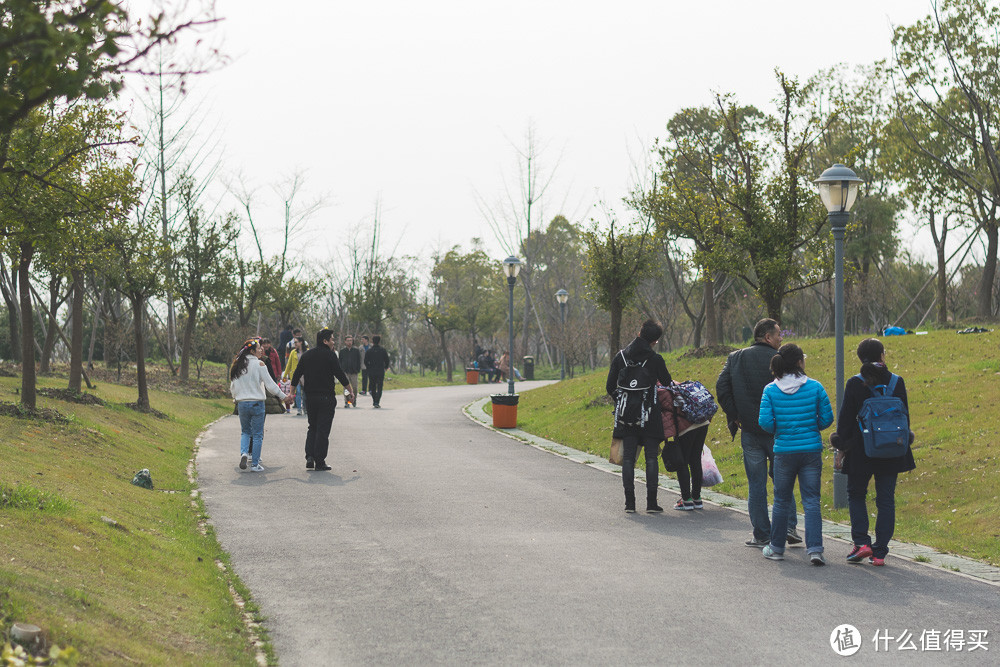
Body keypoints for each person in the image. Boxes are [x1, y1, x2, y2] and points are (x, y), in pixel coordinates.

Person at [716, 318, 802, 547]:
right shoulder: (780, 361)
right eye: (778, 334)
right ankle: (789, 527)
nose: (782, 338)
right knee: (782, 480)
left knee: (756, 484)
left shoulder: (735, 358)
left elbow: (721, 387)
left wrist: (735, 415)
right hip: (778, 431)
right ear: (768, 337)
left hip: (750, 431)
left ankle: (762, 533)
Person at [831, 338, 916, 566]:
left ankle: (862, 543)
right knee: (886, 500)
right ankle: (879, 553)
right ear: (882, 355)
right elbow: (905, 416)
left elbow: (846, 421)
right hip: (892, 449)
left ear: (860, 358)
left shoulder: (855, 383)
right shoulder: (897, 382)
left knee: (857, 495)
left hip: (861, 450)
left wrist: (840, 448)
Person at [758, 343, 834, 565]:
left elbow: (764, 422)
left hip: (784, 451)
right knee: (812, 501)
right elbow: (827, 418)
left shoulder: (770, 390)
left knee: (781, 500)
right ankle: (815, 550)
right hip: (811, 450)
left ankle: (777, 547)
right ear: (800, 362)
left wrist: (780, 429)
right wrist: (813, 427)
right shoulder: (815, 387)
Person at [605, 320, 672, 513]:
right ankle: (651, 503)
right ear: (655, 341)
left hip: (626, 416)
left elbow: (610, 386)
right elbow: (667, 382)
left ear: (639, 332)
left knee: (628, 459)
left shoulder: (621, 357)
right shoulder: (655, 359)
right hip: (649, 414)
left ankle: (630, 504)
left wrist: (624, 402)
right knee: (651, 458)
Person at [290, 329, 354, 471]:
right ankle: (320, 461)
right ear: (325, 341)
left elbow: (296, 374)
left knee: (312, 426)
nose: (333, 342)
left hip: (310, 398)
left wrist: (292, 393)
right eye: (331, 339)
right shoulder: (331, 356)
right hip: (326, 398)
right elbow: (340, 374)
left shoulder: (307, 355)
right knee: (323, 430)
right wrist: (350, 390)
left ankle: (309, 456)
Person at [229, 337, 291, 472]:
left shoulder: (238, 365)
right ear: (252, 351)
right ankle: (255, 464)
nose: (261, 350)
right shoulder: (260, 364)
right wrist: (284, 397)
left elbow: (233, 386)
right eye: (258, 348)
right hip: (257, 403)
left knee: (245, 431)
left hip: (242, 403)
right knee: (257, 434)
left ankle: (244, 453)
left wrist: (235, 398)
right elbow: (271, 385)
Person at [657, 388, 711, 510]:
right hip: (702, 421)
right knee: (695, 460)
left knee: (683, 462)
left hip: (686, 425)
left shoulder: (660, 391)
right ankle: (697, 498)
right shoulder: (675, 385)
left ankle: (686, 500)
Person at [281, 336, 308, 416]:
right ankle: (299, 409)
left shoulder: (307, 352)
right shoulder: (293, 352)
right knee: (298, 392)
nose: (294, 344)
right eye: (294, 342)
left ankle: (305, 408)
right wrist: (285, 375)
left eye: (296, 342)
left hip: (305, 375)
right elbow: (289, 364)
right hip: (296, 376)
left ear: (301, 342)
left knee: (305, 393)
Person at [363, 334, 392, 408]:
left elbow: (365, 361)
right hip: (380, 371)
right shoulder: (383, 350)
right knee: (379, 386)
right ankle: (377, 401)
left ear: (372, 341)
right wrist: (385, 367)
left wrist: (368, 368)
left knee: (372, 386)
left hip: (371, 371)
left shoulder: (369, 351)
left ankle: (374, 400)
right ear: (379, 342)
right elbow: (387, 360)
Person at [338, 335, 363, 407]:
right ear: (345, 342)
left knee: (354, 387)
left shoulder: (356, 350)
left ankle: (353, 400)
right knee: (346, 388)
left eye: (351, 340)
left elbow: (359, 360)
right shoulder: (342, 351)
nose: (349, 342)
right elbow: (340, 361)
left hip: (354, 372)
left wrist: (358, 369)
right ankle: (347, 402)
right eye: (348, 340)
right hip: (345, 371)